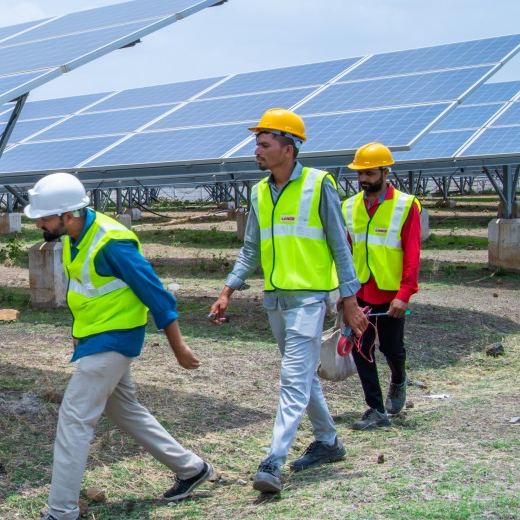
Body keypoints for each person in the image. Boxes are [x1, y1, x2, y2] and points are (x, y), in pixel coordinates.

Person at [26, 172, 212, 520]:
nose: (39, 222)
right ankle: (192, 469)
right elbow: (88, 291)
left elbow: (157, 296)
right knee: (123, 409)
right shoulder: (74, 236)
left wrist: (179, 347)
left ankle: (62, 511)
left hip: (114, 341)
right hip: (96, 337)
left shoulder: (112, 243)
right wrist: (79, 330)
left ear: (69, 215)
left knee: (73, 419)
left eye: (45, 216)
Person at [208, 108, 367, 494]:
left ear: (289, 149)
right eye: (257, 144)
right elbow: (251, 249)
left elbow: (340, 247)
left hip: (310, 300)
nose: (257, 151)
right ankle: (328, 441)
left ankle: (273, 460)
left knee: (292, 380)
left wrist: (350, 299)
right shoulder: (259, 192)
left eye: (264, 144)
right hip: (275, 300)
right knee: (304, 375)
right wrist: (228, 290)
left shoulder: (319, 184)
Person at [340, 142, 422, 430]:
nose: (363, 179)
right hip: (359, 292)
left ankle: (398, 380)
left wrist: (405, 293)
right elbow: (345, 252)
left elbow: (412, 253)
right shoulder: (348, 207)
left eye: (370, 173)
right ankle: (375, 408)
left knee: (391, 347)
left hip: (390, 294)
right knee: (360, 348)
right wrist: (343, 293)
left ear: (385, 173)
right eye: (360, 174)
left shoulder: (405, 205)